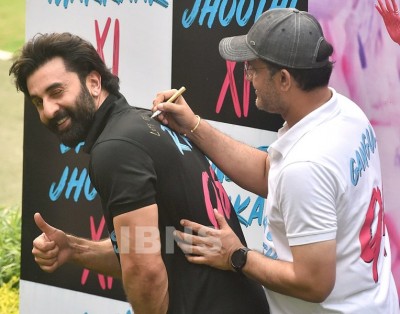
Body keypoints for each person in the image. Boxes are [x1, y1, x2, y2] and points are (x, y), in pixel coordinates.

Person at [152, 8, 400, 314]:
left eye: (253, 69)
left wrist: (237, 256)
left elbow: (314, 283)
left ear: (284, 79)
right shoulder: (345, 114)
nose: (248, 78)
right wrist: (193, 126)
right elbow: (271, 172)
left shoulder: (306, 167)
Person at [9, 32, 270, 314]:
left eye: (57, 92)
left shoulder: (116, 150)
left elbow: (145, 272)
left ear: (94, 82)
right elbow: (159, 243)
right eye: (38, 102)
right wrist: (74, 248)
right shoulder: (142, 122)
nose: (48, 110)